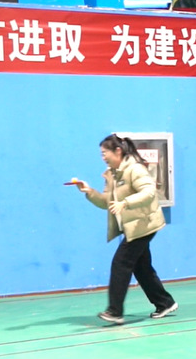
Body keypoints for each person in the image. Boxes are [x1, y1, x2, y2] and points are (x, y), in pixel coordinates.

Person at [73, 134, 177, 324]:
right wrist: (89, 192)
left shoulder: (135, 169)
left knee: (121, 263)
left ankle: (115, 311)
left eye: (105, 153)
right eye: (101, 154)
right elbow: (107, 202)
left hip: (144, 224)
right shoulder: (111, 174)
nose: (103, 157)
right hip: (132, 226)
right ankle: (165, 302)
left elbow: (149, 192)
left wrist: (125, 203)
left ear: (118, 151)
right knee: (141, 267)